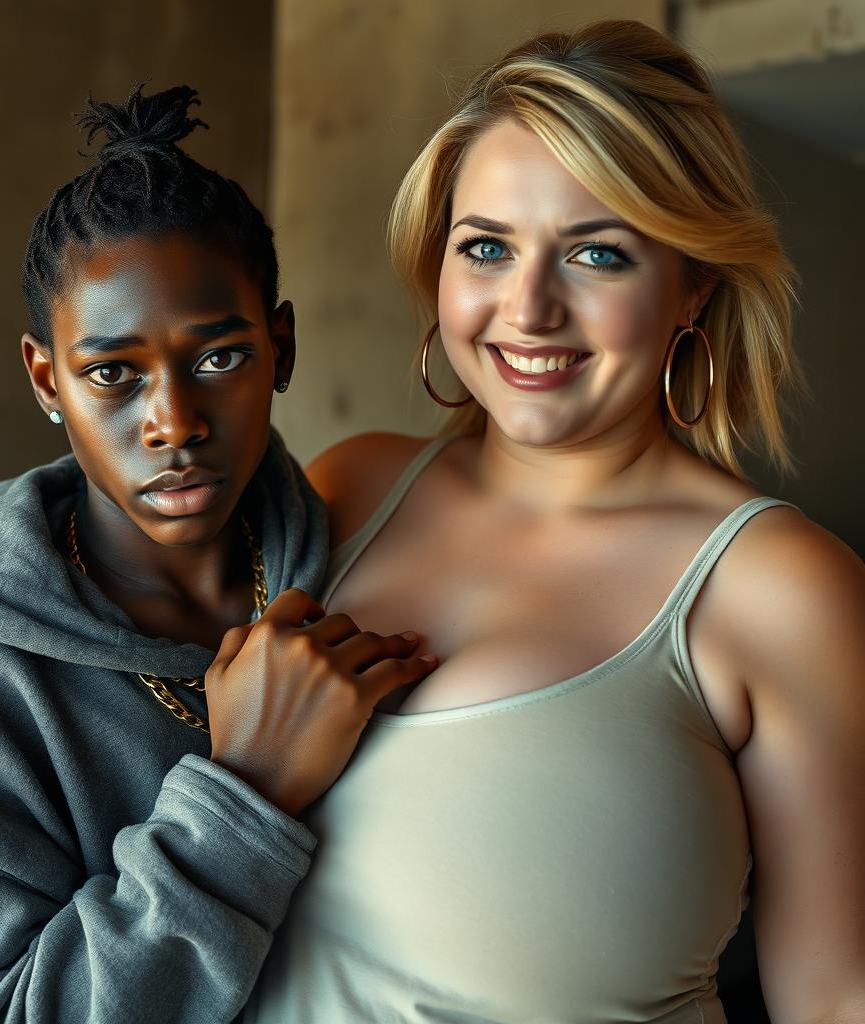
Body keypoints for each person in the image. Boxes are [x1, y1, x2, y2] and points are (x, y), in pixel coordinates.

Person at [244, 21, 865, 1024]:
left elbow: (834, 999)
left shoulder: (779, 587)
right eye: (485, 247)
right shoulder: (348, 491)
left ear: (692, 286)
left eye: (597, 254)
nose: (528, 309)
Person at [0, 84, 436, 1023]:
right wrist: (245, 795)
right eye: (112, 374)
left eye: (218, 360)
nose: (173, 424)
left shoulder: (367, 564)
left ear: (280, 348)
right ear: (48, 378)